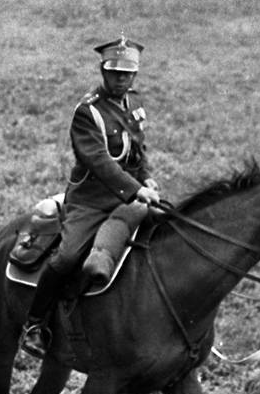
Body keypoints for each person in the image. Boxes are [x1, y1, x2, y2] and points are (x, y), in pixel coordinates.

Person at [20, 36, 162, 358]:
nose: (122, 79)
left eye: (128, 74)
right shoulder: (87, 113)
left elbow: (137, 150)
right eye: (115, 73)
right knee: (68, 257)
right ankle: (35, 322)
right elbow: (98, 160)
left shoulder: (134, 104)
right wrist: (137, 189)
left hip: (128, 197)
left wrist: (147, 176)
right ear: (103, 70)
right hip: (91, 201)